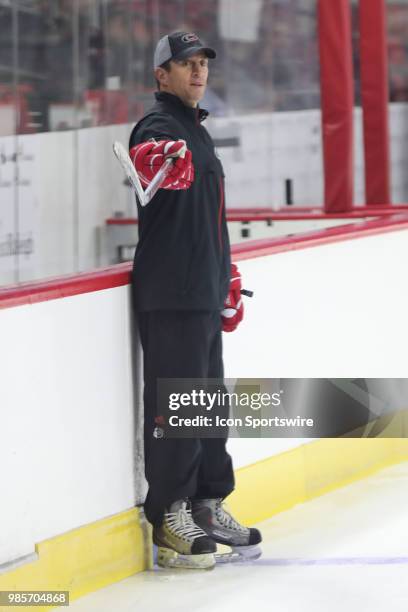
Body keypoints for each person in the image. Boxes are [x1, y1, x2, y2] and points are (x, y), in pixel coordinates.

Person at [128, 31, 262, 570]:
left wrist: (223, 272)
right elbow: (145, 156)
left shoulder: (197, 132)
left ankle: (207, 504)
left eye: (203, 63)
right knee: (176, 408)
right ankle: (170, 516)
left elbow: (206, 217)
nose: (198, 71)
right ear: (162, 74)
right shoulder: (159, 126)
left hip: (200, 290)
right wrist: (156, 159)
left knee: (209, 408)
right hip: (171, 293)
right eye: (185, 64)